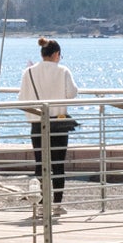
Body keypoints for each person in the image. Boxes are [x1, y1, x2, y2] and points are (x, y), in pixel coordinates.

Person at [16, 37, 79, 213]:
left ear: (42, 54)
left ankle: (42, 204)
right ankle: (57, 204)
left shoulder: (28, 72)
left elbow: (22, 100)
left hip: (37, 123)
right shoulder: (63, 71)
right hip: (58, 123)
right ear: (56, 54)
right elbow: (72, 93)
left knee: (40, 164)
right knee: (58, 164)